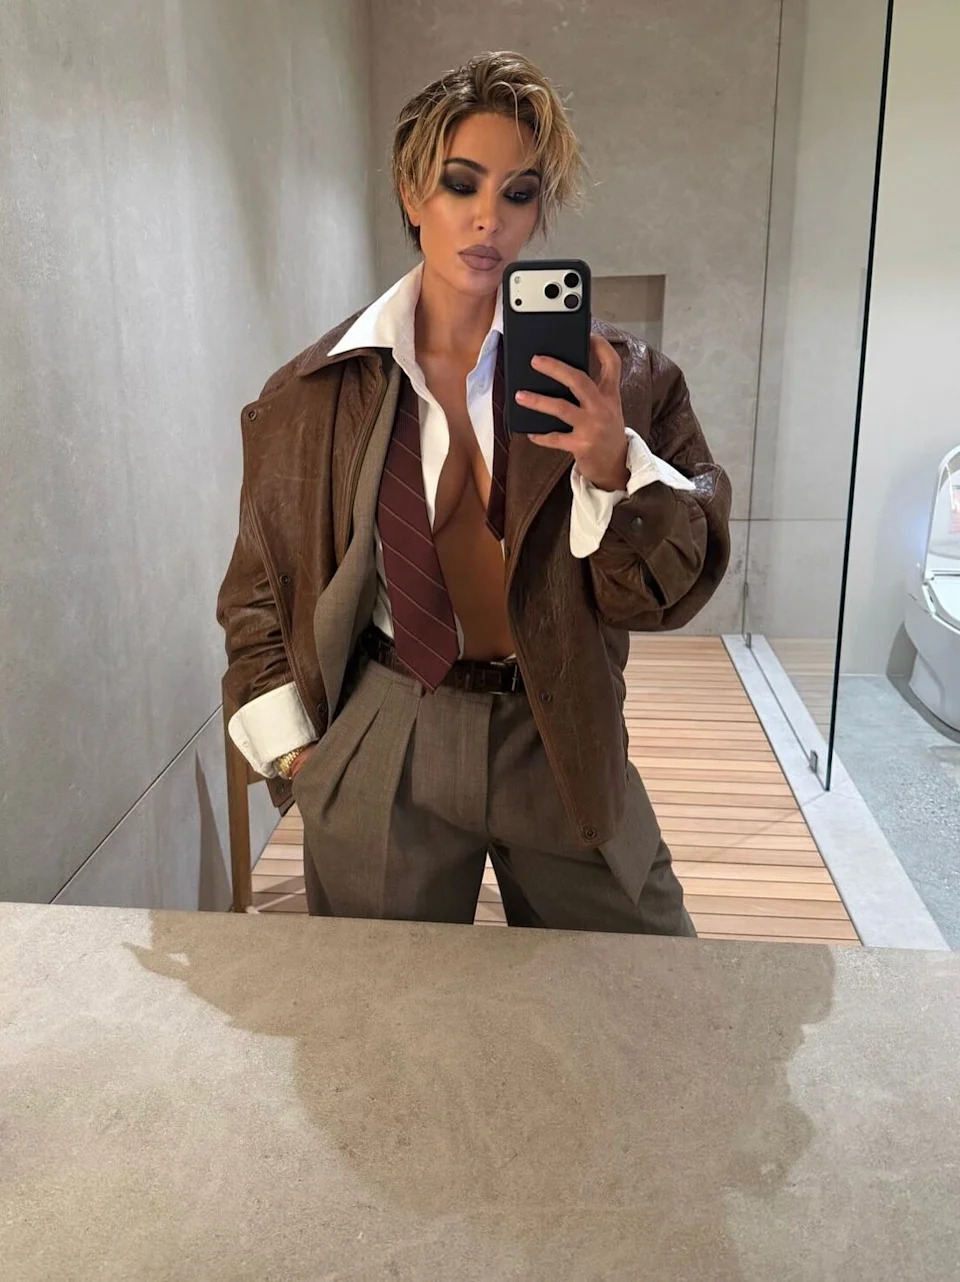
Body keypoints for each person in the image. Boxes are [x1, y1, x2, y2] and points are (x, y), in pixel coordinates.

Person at [216, 50, 731, 933]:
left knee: (640, 978)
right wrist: (302, 759)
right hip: (391, 728)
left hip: (555, 723)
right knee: (389, 1003)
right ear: (411, 194)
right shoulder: (313, 395)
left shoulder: (624, 381)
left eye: (519, 193)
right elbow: (259, 592)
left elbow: (664, 597)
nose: (489, 217)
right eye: (461, 184)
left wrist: (616, 466)